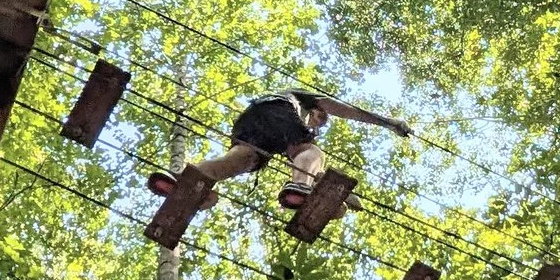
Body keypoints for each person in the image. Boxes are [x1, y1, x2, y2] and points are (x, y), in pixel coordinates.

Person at [148, 90, 411, 210]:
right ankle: (300, 186)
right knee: (312, 153)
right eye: (318, 120)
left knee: (241, 159)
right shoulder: (302, 100)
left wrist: (340, 196)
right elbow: (345, 110)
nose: (316, 125)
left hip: (251, 120)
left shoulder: (278, 113)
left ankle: (185, 180)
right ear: (316, 110)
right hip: (277, 109)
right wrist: (388, 123)